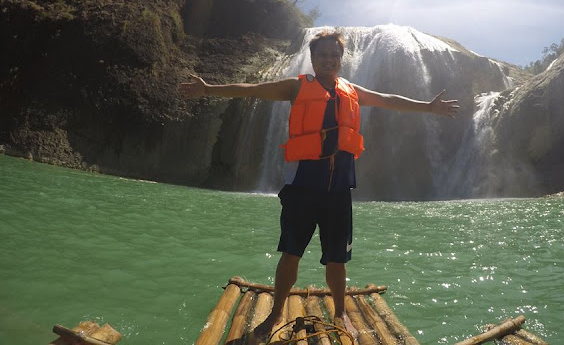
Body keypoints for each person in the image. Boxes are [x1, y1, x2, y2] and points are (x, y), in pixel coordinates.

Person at [179, 30, 459, 338]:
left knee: (337, 259)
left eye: (334, 55)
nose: (329, 59)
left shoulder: (351, 90)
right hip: (303, 186)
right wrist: (208, 90)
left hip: (339, 190)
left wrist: (428, 107)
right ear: (312, 59)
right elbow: (253, 89)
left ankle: (340, 313)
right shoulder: (298, 87)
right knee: (291, 252)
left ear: (341, 59)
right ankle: (275, 314)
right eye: (322, 54)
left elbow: (387, 100)